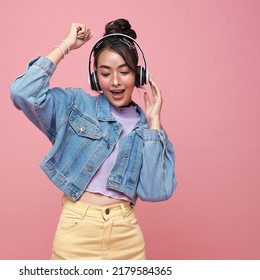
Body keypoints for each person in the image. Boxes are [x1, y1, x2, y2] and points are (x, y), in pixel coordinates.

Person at [10, 18, 177, 260]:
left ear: (139, 75)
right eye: (106, 73)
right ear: (95, 77)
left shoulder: (147, 130)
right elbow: (22, 92)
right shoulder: (76, 106)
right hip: (77, 233)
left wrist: (154, 124)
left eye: (125, 71)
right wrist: (66, 45)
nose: (116, 82)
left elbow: (156, 191)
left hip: (126, 238)